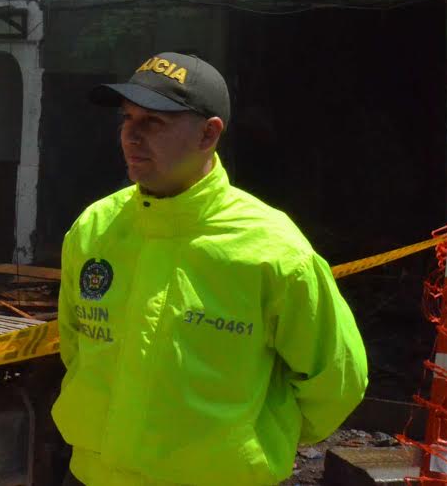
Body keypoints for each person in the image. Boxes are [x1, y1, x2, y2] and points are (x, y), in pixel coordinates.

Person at [53, 52, 367, 486]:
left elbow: (336, 380)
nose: (130, 136)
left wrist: (256, 441)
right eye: (127, 118)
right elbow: (75, 347)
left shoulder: (273, 250)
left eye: (153, 122)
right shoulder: (94, 229)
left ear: (208, 134)